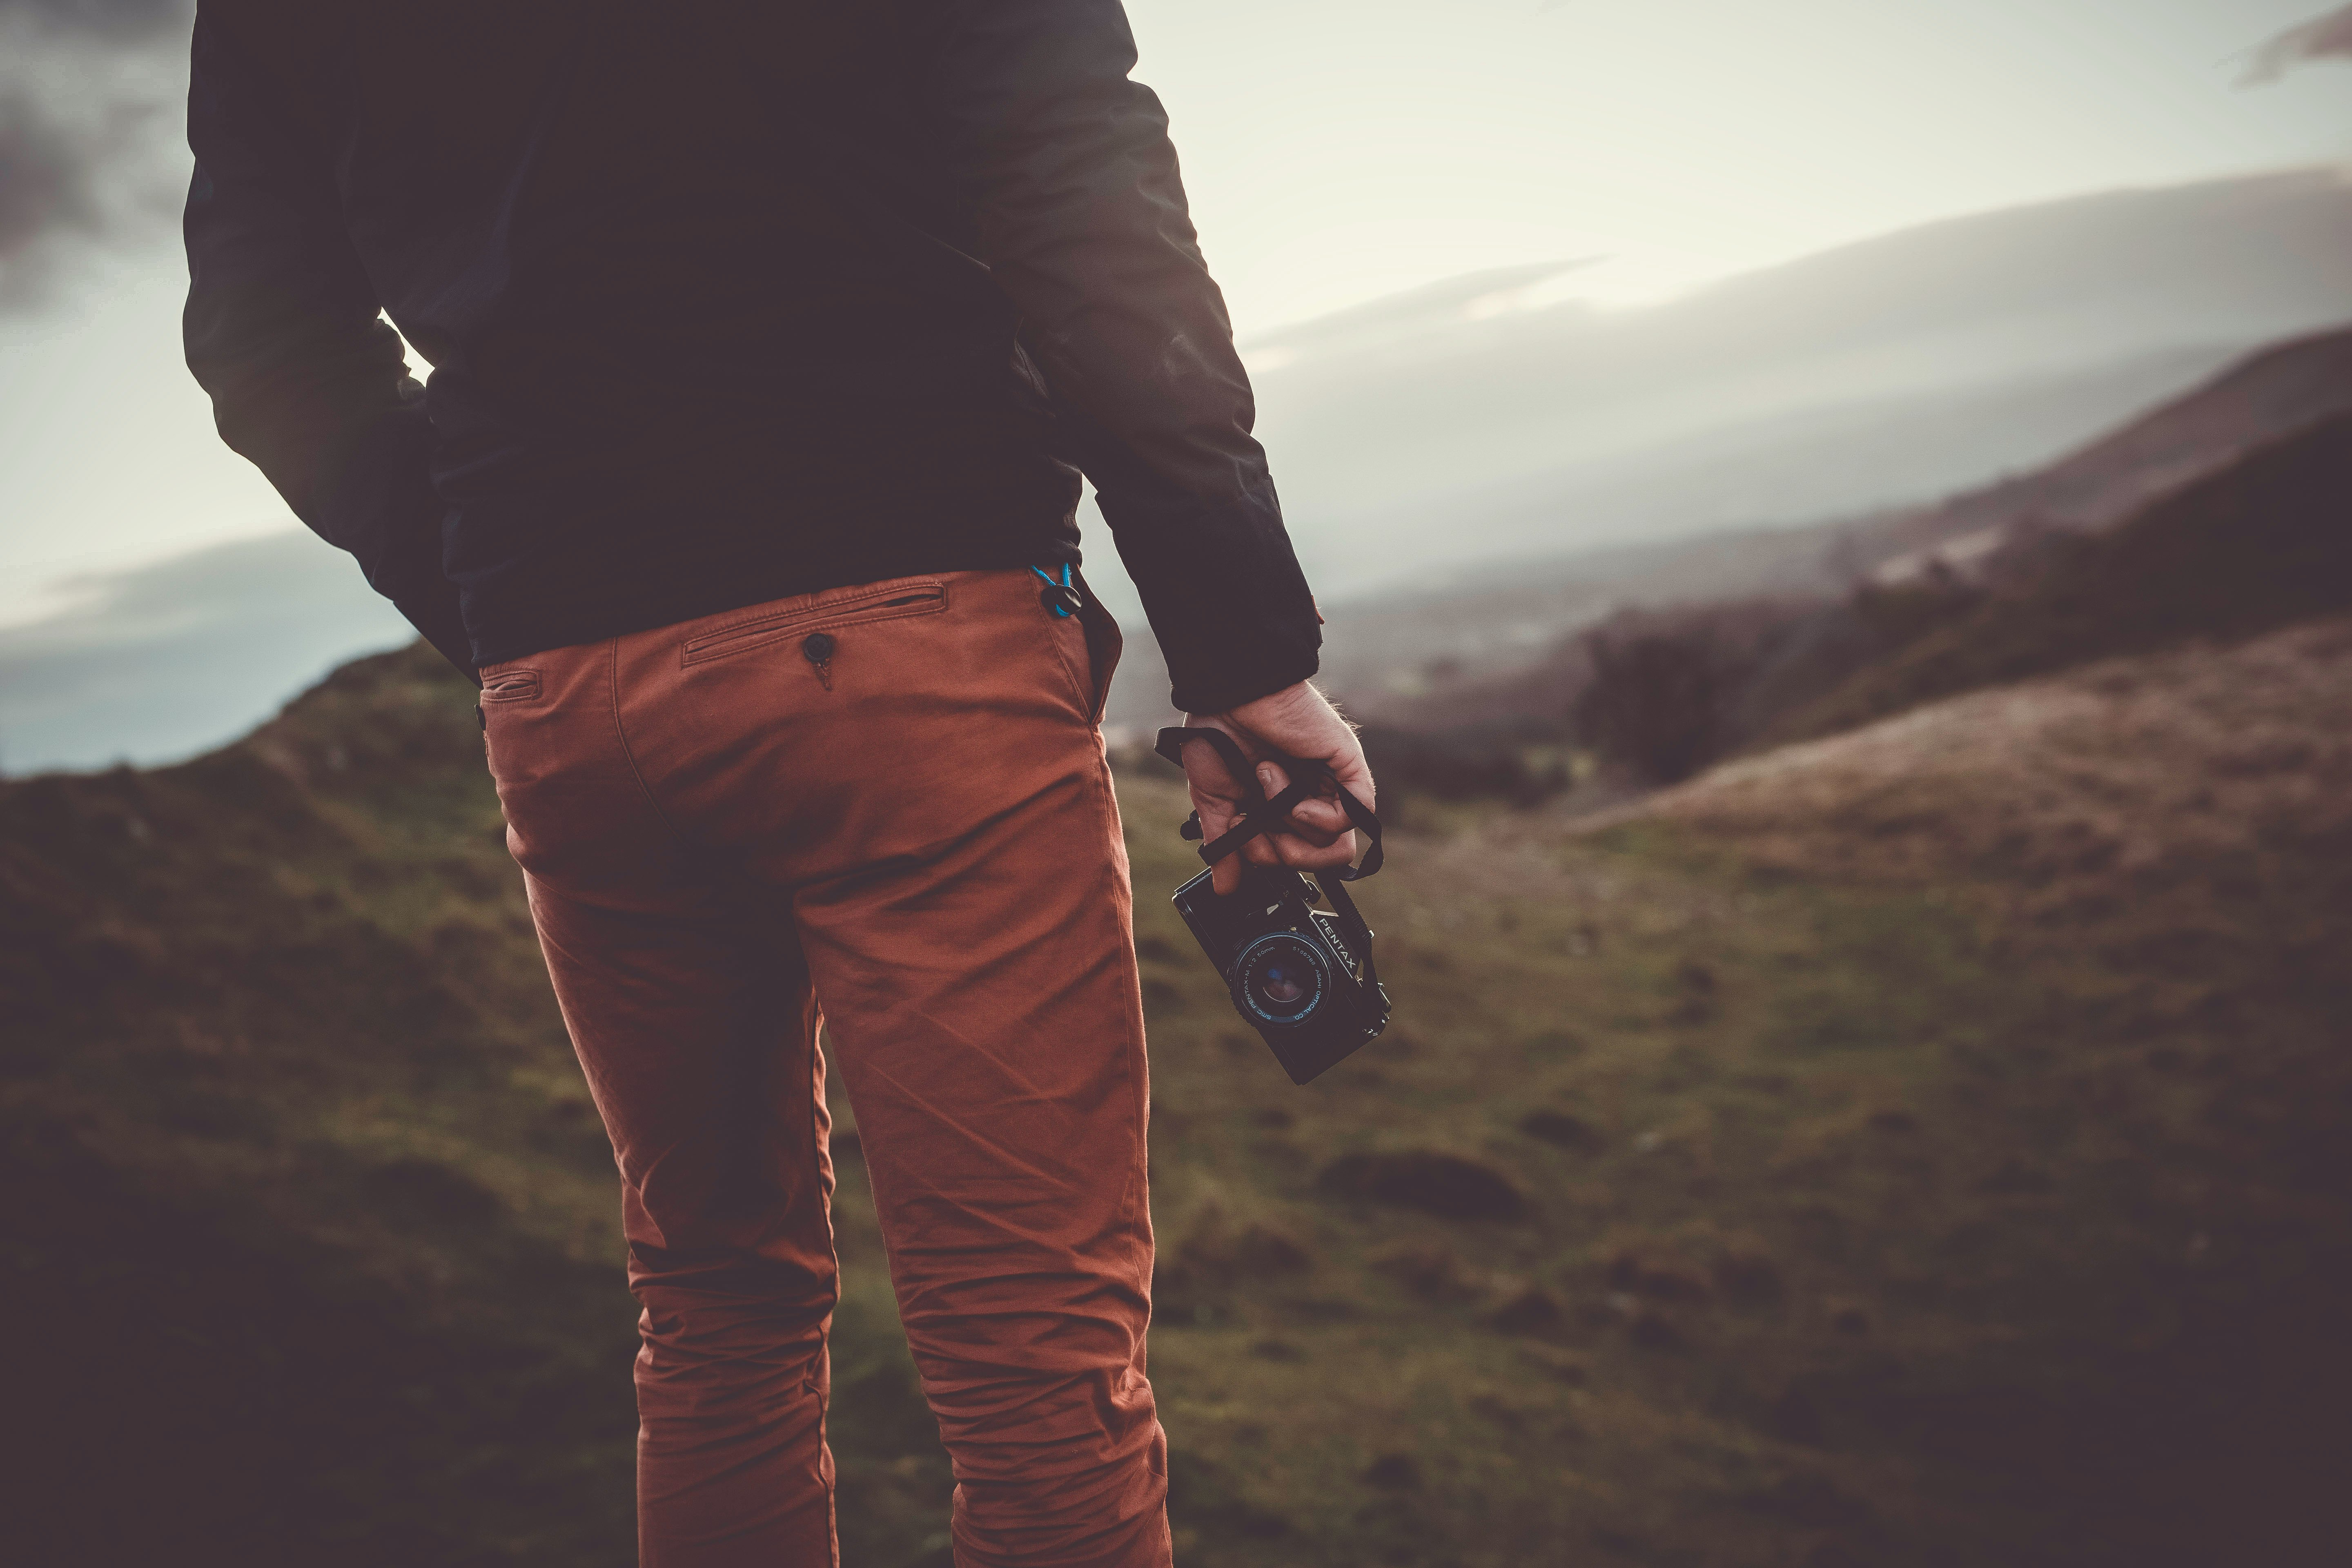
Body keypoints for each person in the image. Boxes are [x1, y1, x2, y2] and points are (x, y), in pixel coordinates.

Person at [181, 2, 1375, 1564]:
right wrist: (1244, 654)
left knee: (716, 1319)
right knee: (1038, 1365)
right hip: (916, 641)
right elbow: (1082, 200)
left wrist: (512, 596)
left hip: (573, 697)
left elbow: (264, 335)